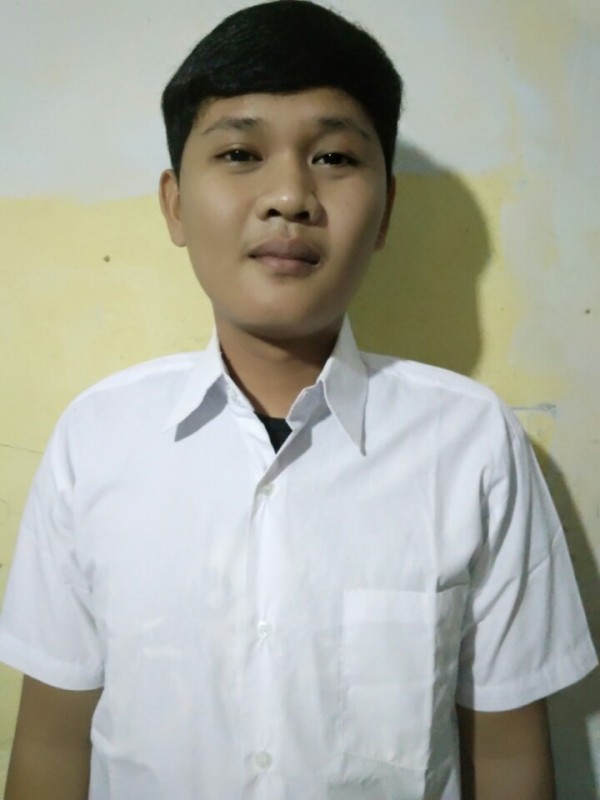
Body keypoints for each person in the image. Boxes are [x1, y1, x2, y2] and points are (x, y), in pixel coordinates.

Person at [0, 1, 597, 798]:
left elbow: (511, 757)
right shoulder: (97, 438)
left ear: (385, 212)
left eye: (334, 157)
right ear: (175, 205)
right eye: (240, 153)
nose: (288, 195)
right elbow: (50, 744)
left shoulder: (470, 443)